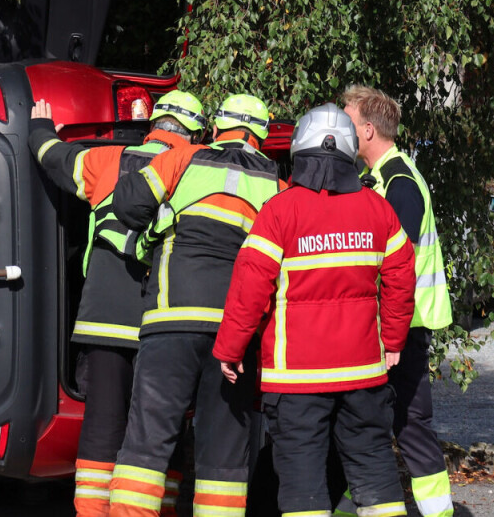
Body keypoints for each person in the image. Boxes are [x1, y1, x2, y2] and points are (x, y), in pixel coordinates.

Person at [213, 103, 416, 517]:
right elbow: (402, 278)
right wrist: (393, 340)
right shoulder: (378, 210)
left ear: (300, 150)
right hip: (363, 374)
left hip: (297, 378)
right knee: (375, 469)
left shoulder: (279, 211)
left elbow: (250, 287)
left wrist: (230, 349)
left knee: (303, 480)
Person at [28, 89, 206, 517]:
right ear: (197, 133)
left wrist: (38, 127)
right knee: (162, 430)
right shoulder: (198, 168)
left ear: (153, 126)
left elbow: (55, 158)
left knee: (103, 428)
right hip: (165, 322)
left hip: (105, 320)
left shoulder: (110, 160)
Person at [107, 94, 283, 517]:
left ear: (217, 128)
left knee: (148, 445)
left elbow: (126, 204)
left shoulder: (184, 157)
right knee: (223, 459)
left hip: (172, 319)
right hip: (235, 337)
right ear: (259, 136)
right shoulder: (277, 187)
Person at [338, 85, 455, 517]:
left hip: (399, 329)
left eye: (348, 124)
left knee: (401, 426)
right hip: (397, 326)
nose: (342, 134)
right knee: (378, 424)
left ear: (367, 130)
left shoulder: (398, 182)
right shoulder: (387, 177)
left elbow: (393, 265)